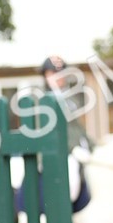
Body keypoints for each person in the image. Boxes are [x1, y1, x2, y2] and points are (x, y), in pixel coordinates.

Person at [40, 55, 92, 210]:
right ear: (46, 76)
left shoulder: (71, 99)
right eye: (52, 74)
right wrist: (72, 149)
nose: (57, 78)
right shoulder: (43, 101)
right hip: (60, 152)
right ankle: (65, 213)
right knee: (72, 179)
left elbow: (77, 128)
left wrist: (93, 144)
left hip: (78, 149)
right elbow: (51, 132)